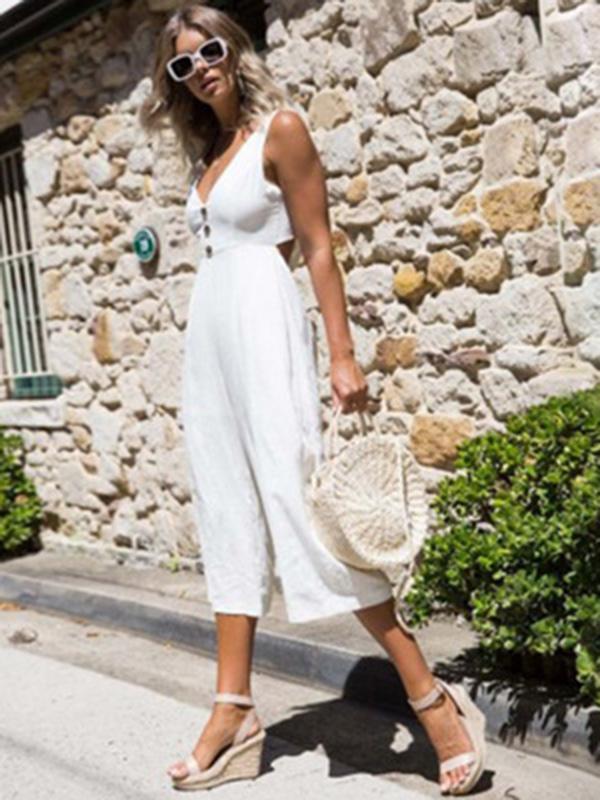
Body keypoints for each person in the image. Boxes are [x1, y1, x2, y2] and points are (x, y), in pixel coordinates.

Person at [139, 3, 486, 796]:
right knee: (228, 514)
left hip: (265, 330)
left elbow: (319, 246)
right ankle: (233, 709)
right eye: (182, 65)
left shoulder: (282, 130)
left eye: (209, 51)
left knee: (305, 513)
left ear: (235, 48)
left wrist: (342, 354)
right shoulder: (209, 154)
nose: (200, 69)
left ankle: (430, 699)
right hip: (211, 343)